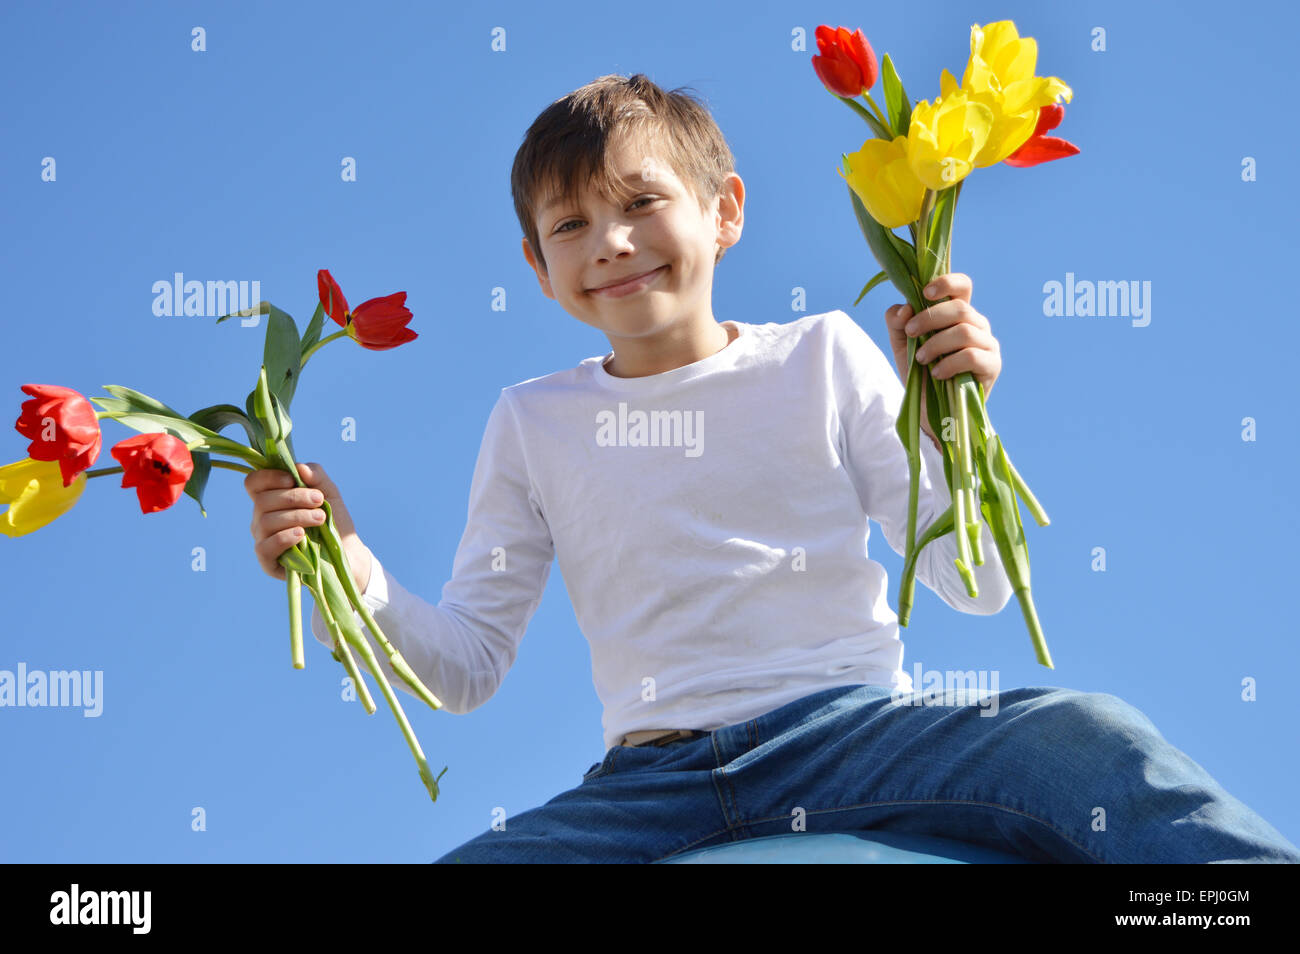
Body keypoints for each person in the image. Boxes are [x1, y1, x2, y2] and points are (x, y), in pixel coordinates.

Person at [244, 74, 1300, 864]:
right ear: (538, 267)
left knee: (1092, 738)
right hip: (646, 783)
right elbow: (467, 668)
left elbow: (973, 585)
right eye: (570, 225)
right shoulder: (530, 421)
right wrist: (349, 566)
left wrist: (954, 412)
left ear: (724, 211)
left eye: (641, 203)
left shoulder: (821, 355)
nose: (609, 241)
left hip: (856, 736)